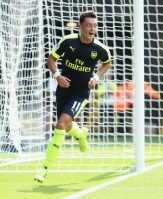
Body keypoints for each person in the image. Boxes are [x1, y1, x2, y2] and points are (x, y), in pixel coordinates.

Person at [34, 11, 112, 183]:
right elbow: (51, 59)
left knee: (61, 124)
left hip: (81, 92)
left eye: (95, 25)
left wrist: (96, 77)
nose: (93, 28)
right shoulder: (68, 41)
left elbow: (107, 63)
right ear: (80, 26)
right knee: (67, 126)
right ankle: (80, 134)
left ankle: (44, 168)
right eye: (89, 25)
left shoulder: (100, 48)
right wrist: (57, 76)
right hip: (63, 90)